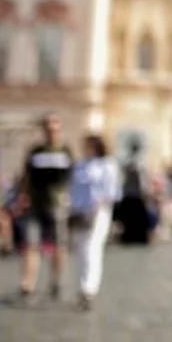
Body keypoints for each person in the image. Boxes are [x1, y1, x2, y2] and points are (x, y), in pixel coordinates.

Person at [17, 113, 74, 304]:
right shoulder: (36, 151)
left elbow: (73, 177)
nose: (51, 131)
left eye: (54, 127)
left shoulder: (65, 151)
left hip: (58, 204)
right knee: (31, 243)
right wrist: (22, 195)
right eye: (48, 127)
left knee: (59, 245)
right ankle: (28, 285)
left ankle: (56, 282)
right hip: (35, 203)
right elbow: (25, 175)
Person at [68, 134, 121, 310]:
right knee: (81, 249)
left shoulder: (107, 165)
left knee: (92, 247)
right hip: (79, 211)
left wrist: (98, 207)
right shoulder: (80, 165)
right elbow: (73, 188)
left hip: (98, 211)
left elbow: (111, 191)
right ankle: (81, 285)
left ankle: (89, 288)